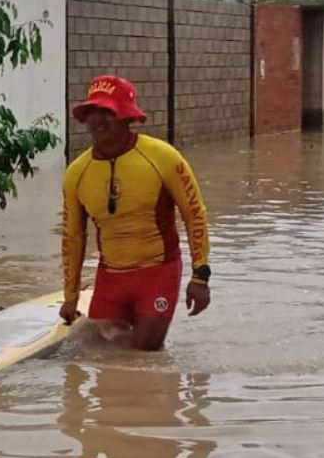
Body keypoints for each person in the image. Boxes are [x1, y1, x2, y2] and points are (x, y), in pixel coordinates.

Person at [60, 75, 211, 350]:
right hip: (110, 277)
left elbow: (195, 214)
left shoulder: (164, 158)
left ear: (126, 117)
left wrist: (200, 277)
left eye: (108, 111)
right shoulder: (76, 174)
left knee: (143, 356)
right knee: (103, 360)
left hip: (157, 273)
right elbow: (72, 238)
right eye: (93, 111)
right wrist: (70, 297)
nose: (99, 120)